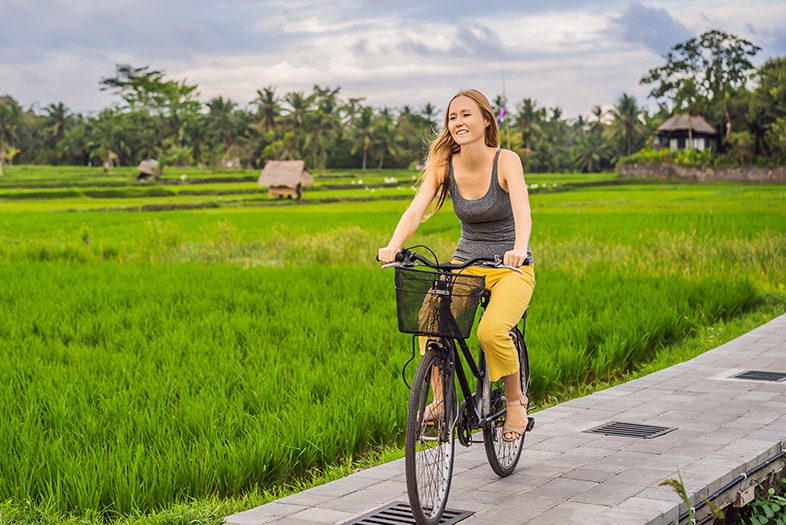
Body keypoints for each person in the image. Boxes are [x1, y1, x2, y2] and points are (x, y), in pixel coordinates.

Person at [378, 89, 535, 442]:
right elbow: (416, 209)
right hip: (467, 263)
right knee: (429, 318)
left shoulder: (506, 160)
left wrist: (519, 249)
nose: (458, 122)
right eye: (452, 117)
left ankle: (514, 401)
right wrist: (393, 245)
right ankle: (439, 401)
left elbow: (523, 210)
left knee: (491, 332)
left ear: (485, 120)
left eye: (466, 114)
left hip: (511, 267)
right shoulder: (444, 164)